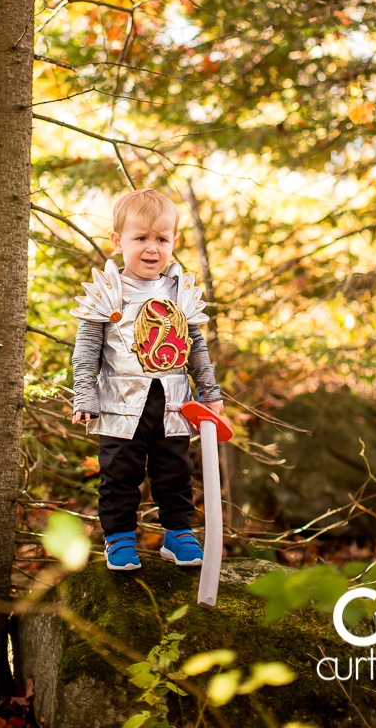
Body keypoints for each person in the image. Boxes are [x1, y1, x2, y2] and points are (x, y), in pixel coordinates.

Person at [70, 188, 223, 571]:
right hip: (120, 404)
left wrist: (210, 392)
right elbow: (86, 351)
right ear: (118, 241)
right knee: (119, 473)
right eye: (141, 238)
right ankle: (119, 539)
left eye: (161, 239)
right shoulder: (108, 292)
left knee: (175, 471)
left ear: (174, 242)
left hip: (172, 402)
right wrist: (84, 397)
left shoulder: (180, 293)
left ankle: (179, 534)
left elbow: (196, 347)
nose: (151, 248)